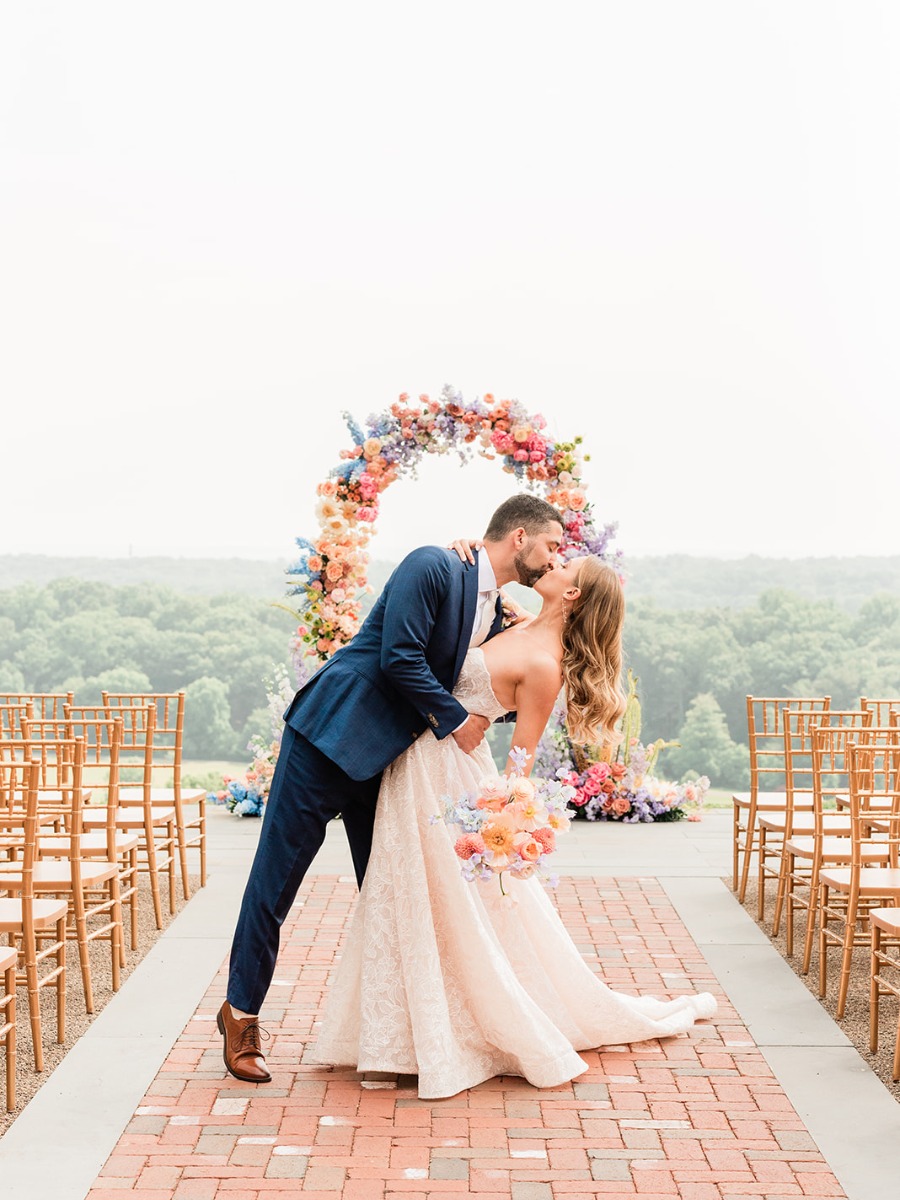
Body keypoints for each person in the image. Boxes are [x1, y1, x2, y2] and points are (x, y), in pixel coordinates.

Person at [309, 552, 717, 1099]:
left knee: (440, 900)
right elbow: (468, 593)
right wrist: (465, 546)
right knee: (404, 891)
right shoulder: (514, 617)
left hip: (451, 776)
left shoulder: (546, 665)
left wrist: (503, 821)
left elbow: (520, 761)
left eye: (566, 565)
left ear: (572, 594)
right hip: (416, 760)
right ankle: (397, 1031)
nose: (554, 563)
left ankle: (453, 1028)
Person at [218, 493, 566, 1083]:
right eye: (553, 545)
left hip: (393, 764)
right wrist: (456, 722)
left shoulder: (497, 609)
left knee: (391, 892)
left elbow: (486, 678)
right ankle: (241, 1014)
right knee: (275, 882)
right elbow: (399, 656)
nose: (557, 556)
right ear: (519, 538)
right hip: (330, 739)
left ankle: (404, 1031)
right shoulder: (432, 564)